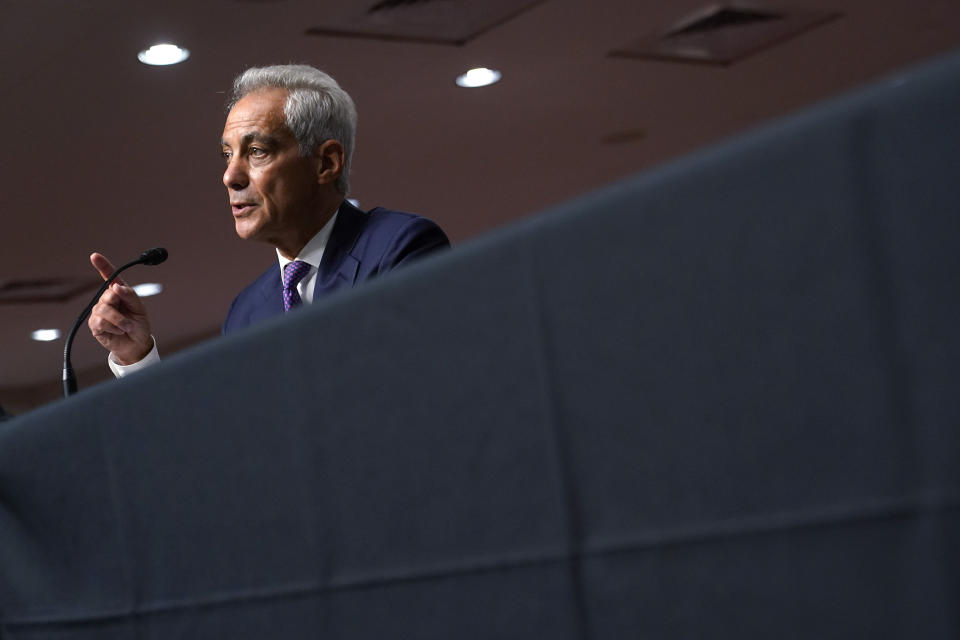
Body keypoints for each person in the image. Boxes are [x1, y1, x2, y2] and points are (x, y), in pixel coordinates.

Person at [87, 65, 449, 376]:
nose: (230, 176)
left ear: (326, 163)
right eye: (228, 155)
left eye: (256, 152)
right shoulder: (246, 311)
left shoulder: (400, 248)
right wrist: (136, 356)